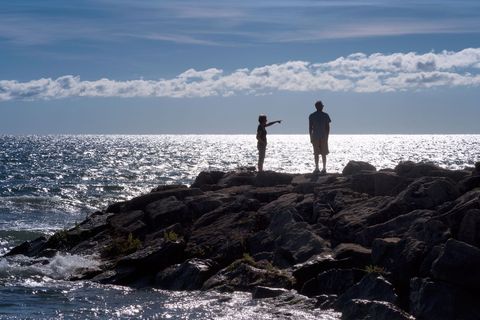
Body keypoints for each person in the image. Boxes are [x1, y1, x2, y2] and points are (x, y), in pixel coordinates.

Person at [309, 100, 331, 174]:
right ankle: (318, 168)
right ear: (318, 106)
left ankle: (322, 168)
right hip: (320, 136)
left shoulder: (323, 115)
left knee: (319, 153)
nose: (322, 107)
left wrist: (311, 137)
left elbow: (310, 128)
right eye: (321, 106)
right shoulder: (314, 115)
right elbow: (327, 127)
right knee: (320, 153)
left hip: (318, 136)